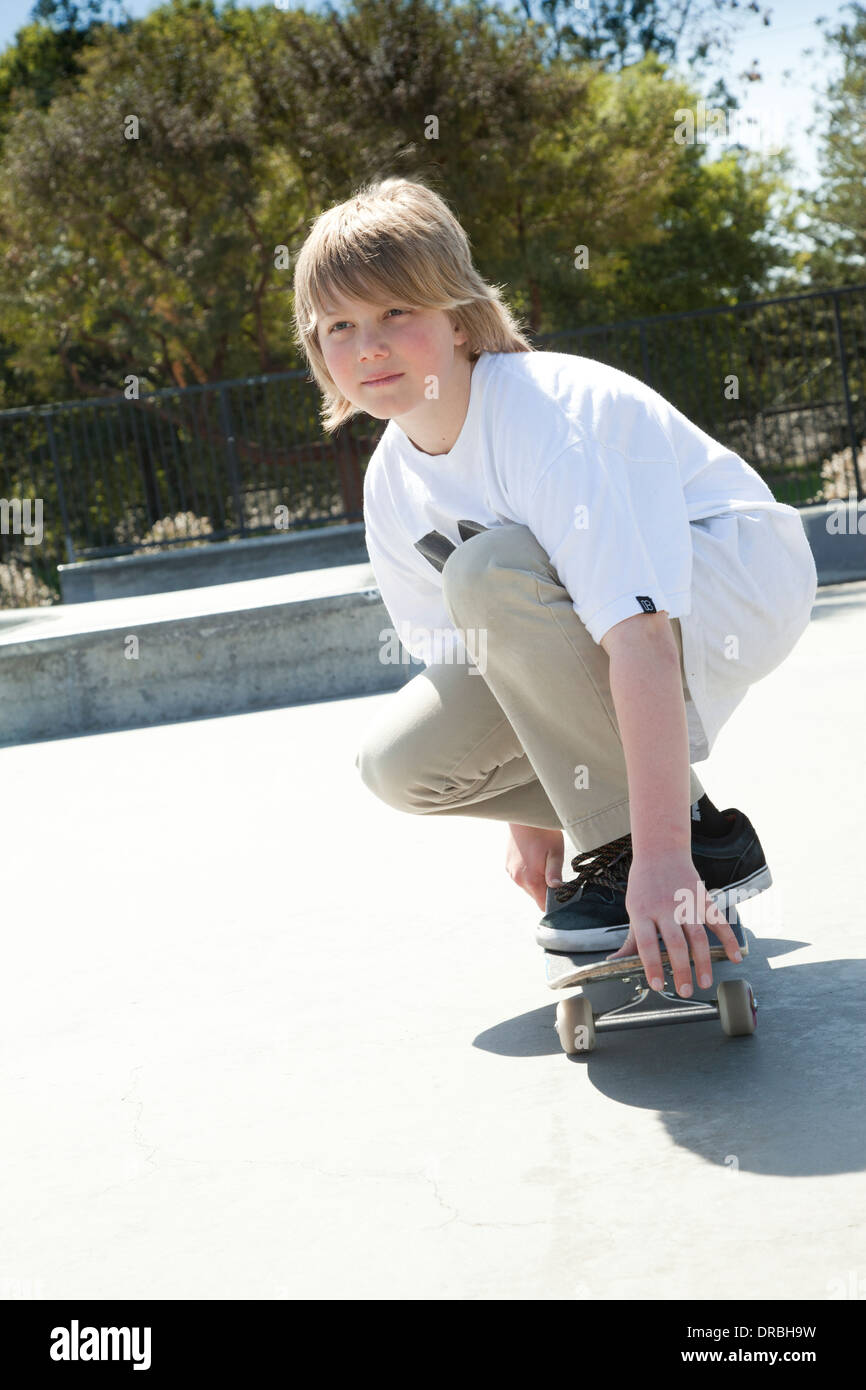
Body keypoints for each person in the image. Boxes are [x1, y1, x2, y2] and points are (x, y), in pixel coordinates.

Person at [291, 174, 818, 1001]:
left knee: (487, 567)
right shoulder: (392, 479)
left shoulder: (541, 419)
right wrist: (534, 818)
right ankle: (691, 830)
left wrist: (663, 864)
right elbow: (487, 667)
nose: (370, 347)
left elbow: (636, 636)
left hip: (730, 574)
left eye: (397, 313)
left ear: (459, 318)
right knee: (398, 765)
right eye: (340, 327)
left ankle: (661, 843)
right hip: (619, 623)